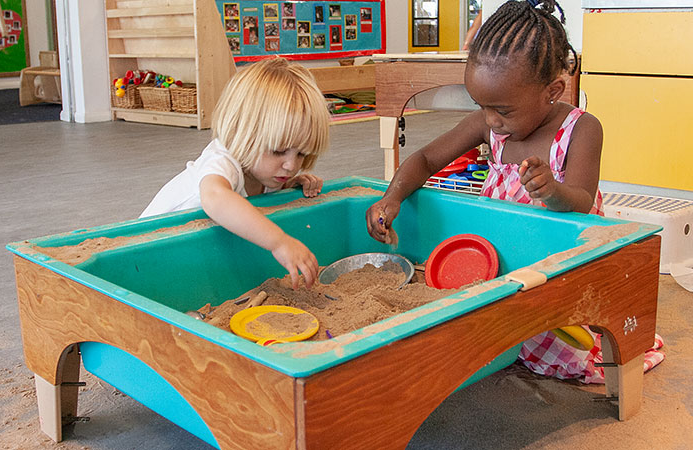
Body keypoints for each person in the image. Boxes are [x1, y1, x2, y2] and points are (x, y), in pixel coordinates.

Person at [366, 0, 665, 383]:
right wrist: (392, 197)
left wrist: (552, 190)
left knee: (567, 346)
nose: (491, 120)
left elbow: (581, 201)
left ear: (552, 90)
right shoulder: (489, 123)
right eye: (481, 106)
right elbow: (424, 159)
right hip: (499, 259)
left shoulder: (581, 129)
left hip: (558, 263)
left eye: (503, 110)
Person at [141, 58, 329, 289]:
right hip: (147, 250)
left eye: (301, 154)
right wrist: (279, 242)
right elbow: (216, 198)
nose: (291, 165)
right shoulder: (222, 160)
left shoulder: (264, 171)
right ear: (242, 132)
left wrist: (289, 184)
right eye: (278, 151)